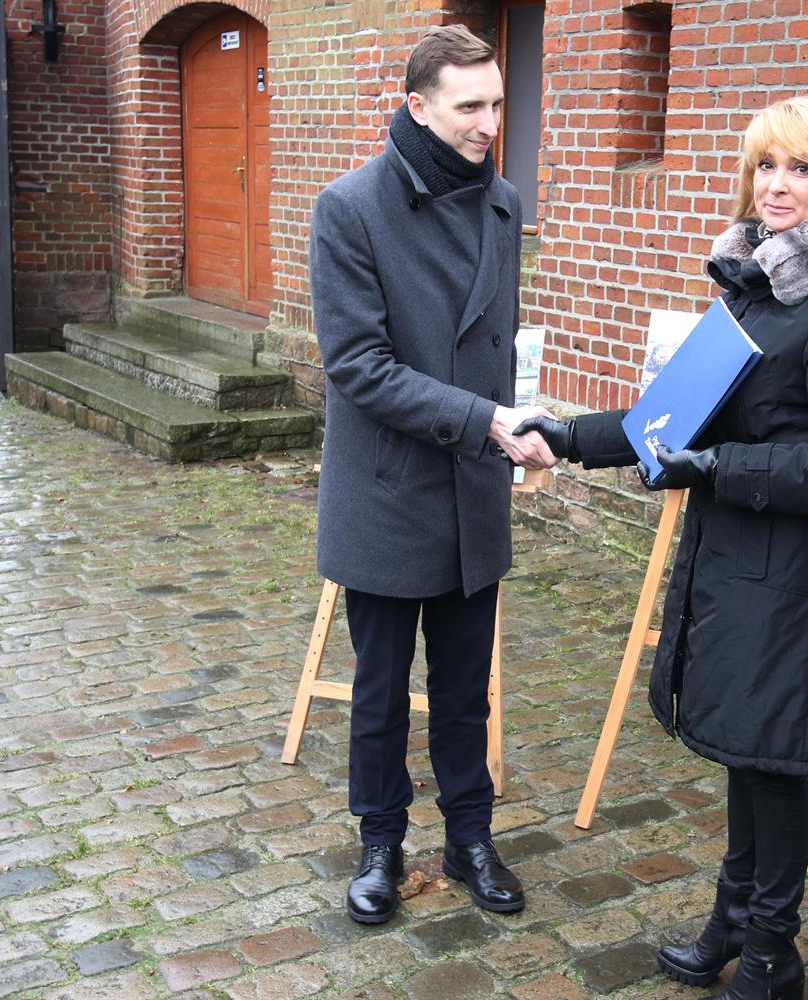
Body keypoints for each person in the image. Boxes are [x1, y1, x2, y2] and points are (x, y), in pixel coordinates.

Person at [518, 96, 808, 1000]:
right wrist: (566, 436)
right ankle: (734, 920)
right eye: (766, 165)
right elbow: (670, 418)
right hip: (732, 561)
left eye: (802, 168)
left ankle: (773, 950)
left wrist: (719, 466)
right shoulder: (753, 290)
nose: (777, 184)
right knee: (745, 751)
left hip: (797, 576)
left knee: (774, 763)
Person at [309, 24, 555, 926]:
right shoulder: (350, 208)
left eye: (497, 103)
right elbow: (358, 365)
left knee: (464, 686)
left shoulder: (502, 204)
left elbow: (495, 350)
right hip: (385, 488)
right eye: (470, 107)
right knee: (379, 692)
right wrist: (484, 420)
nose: (491, 123)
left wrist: (514, 425)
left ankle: (470, 838)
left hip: (471, 486)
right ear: (417, 106)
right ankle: (381, 842)